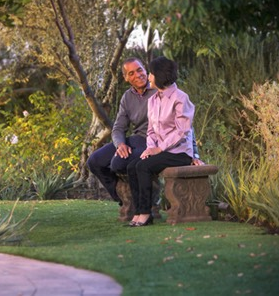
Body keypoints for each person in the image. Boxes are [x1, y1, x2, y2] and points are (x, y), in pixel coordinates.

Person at [87, 57, 203, 207]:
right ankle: (123, 198)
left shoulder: (161, 88)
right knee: (94, 161)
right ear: (126, 77)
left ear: (146, 70)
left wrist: (194, 154)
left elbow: (185, 126)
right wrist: (120, 144)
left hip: (156, 143)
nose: (138, 75)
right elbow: (118, 127)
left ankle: (147, 201)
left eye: (140, 70)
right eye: (131, 73)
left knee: (118, 164)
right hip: (137, 139)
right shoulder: (127, 98)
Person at [127, 56, 195, 227]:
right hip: (161, 151)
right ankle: (138, 211)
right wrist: (150, 148)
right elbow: (151, 130)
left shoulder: (181, 98)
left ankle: (145, 213)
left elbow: (182, 130)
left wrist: (159, 149)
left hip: (179, 152)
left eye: (150, 73)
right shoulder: (153, 100)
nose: (148, 77)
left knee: (143, 166)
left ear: (159, 75)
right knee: (131, 166)